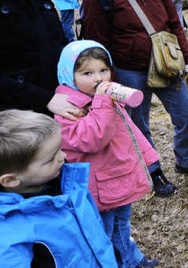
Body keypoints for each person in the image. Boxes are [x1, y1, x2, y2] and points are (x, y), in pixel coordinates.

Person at [81, 0, 188, 198]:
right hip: (129, 71)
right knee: (138, 126)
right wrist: (105, 81)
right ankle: (153, 170)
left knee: (186, 116)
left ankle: (185, 161)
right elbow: (94, 43)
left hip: (166, 65)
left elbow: (175, 26)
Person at [54, 40, 160, 267]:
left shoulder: (102, 97)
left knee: (122, 220)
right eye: (87, 72)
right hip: (100, 183)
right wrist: (103, 102)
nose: (99, 78)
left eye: (104, 70)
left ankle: (129, 257)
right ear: (67, 74)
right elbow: (92, 139)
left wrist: (147, 158)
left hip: (116, 173)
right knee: (108, 226)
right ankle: (121, 262)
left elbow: (128, 131)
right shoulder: (68, 107)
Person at [0, 109, 118, 267]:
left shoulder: (68, 183)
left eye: (60, 149)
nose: (63, 156)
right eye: (50, 158)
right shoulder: (8, 237)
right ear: (11, 180)